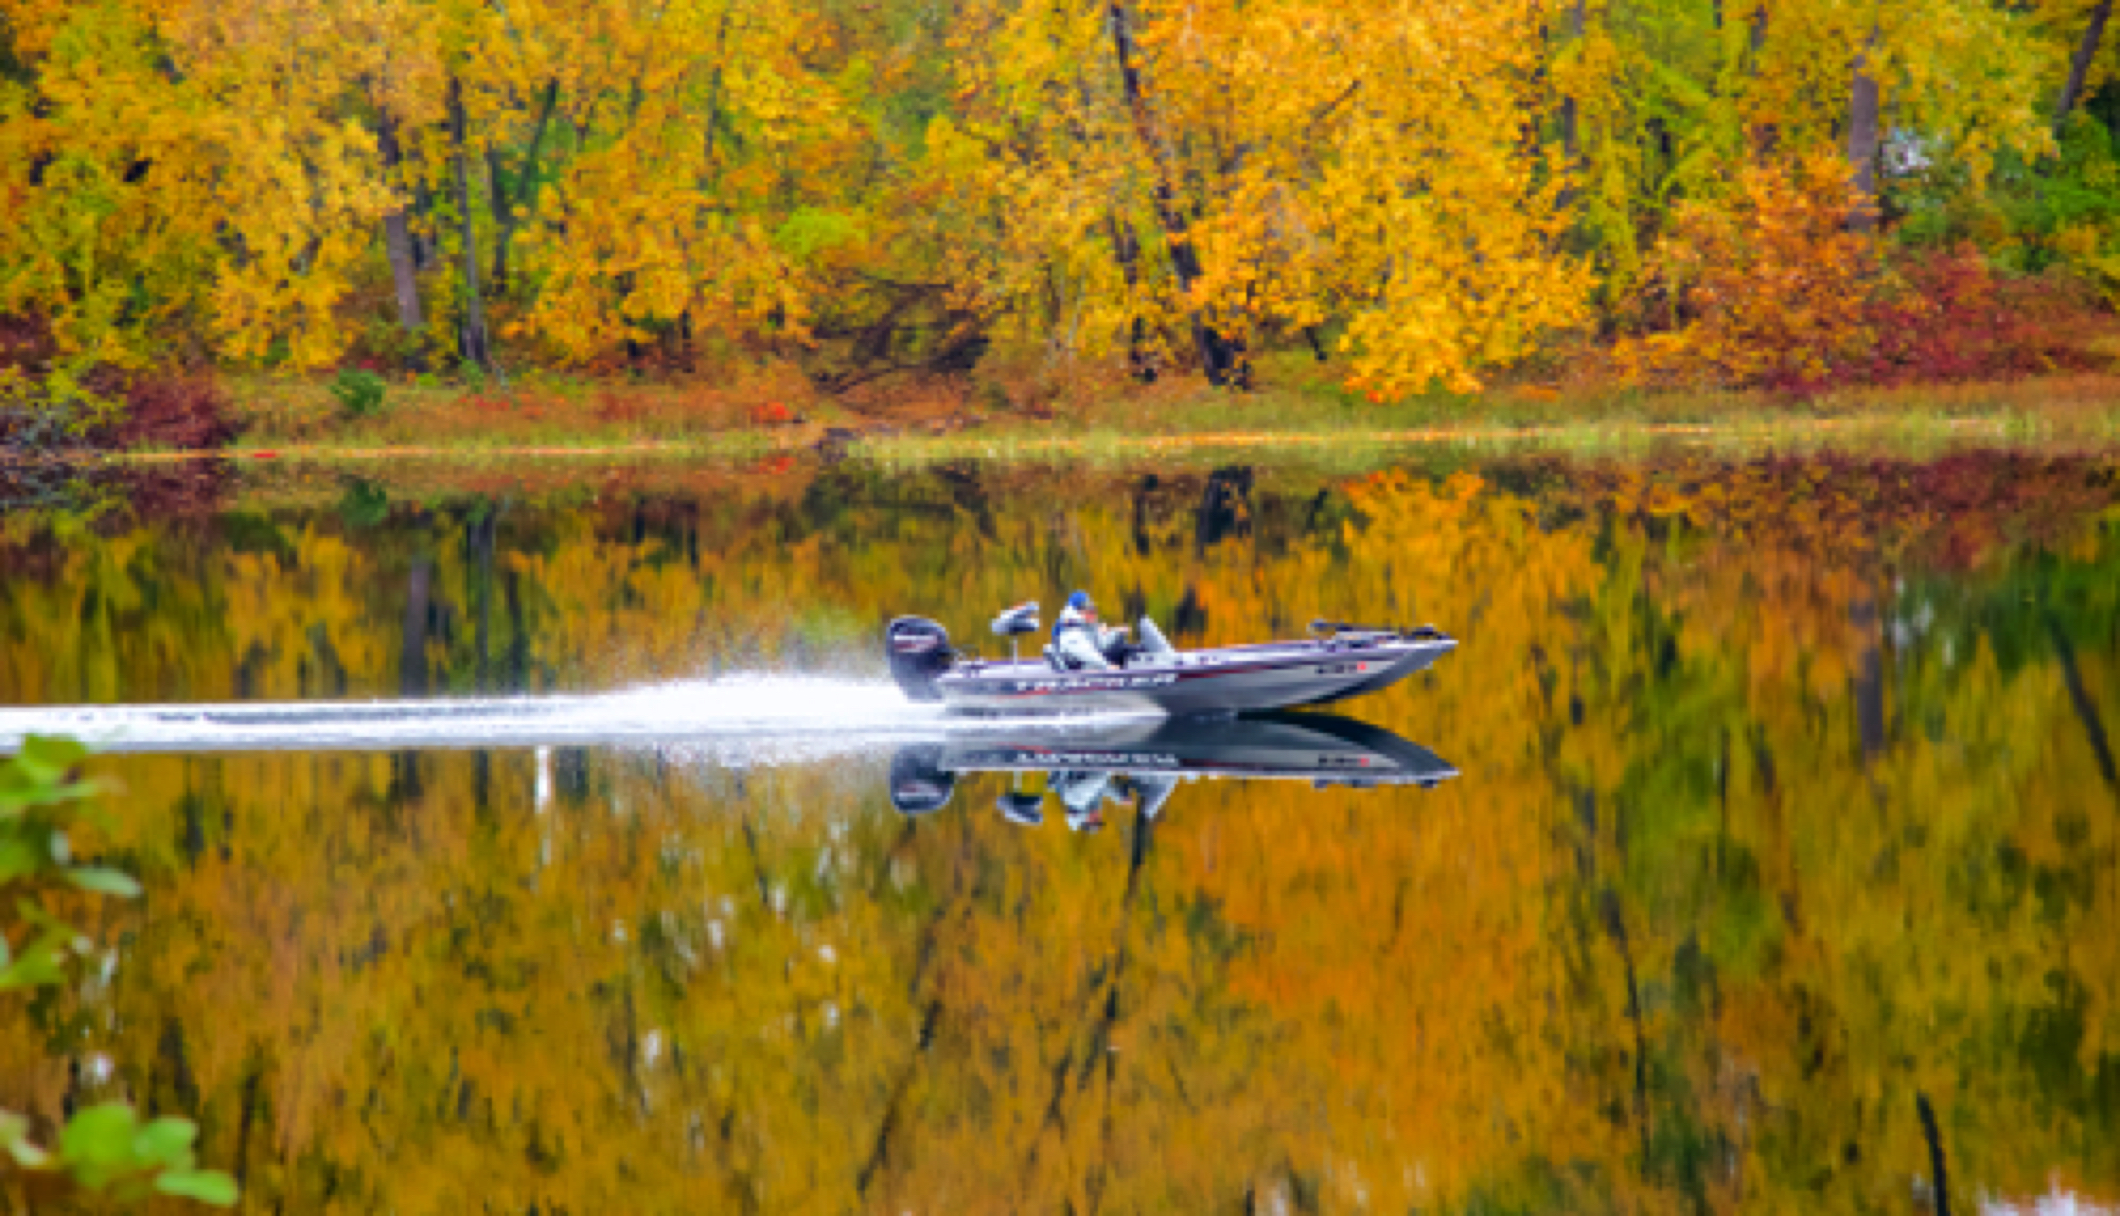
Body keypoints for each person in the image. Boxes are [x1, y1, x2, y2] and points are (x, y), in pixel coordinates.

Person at [1051, 590, 1127, 670]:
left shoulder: (1086, 626)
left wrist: (1116, 633)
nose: (1092, 613)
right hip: (1079, 673)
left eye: (1092, 610)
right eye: (1086, 609)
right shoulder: (1070, 632)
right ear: (1077, 611)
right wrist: (1107, 666)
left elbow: (1101, 643)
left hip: (1089, 669)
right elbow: (1086, 653)